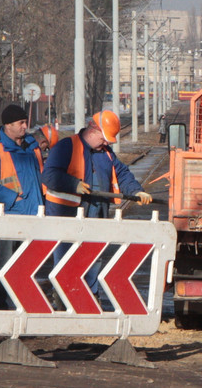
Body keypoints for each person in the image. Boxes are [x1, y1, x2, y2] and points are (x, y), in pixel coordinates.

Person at [43, 110, 152, 292]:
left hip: (96, 215)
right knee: (67, 260)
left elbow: (122, 174)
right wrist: (73, 184)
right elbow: (48, 175)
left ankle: (91, 298)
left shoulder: (106, 154)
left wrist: (136, 191)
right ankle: (63, 298)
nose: (106, 142)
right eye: (104, 138)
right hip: (67, 217)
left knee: (93, 258)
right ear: (93, 130)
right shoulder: (66, 146)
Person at [0, 104, 45, 216]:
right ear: (8, 125)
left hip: (36, 211)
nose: (25, 126)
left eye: (26, 122)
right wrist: (14, 199)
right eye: (21, 122)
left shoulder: (33, 147)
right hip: (10, 213)